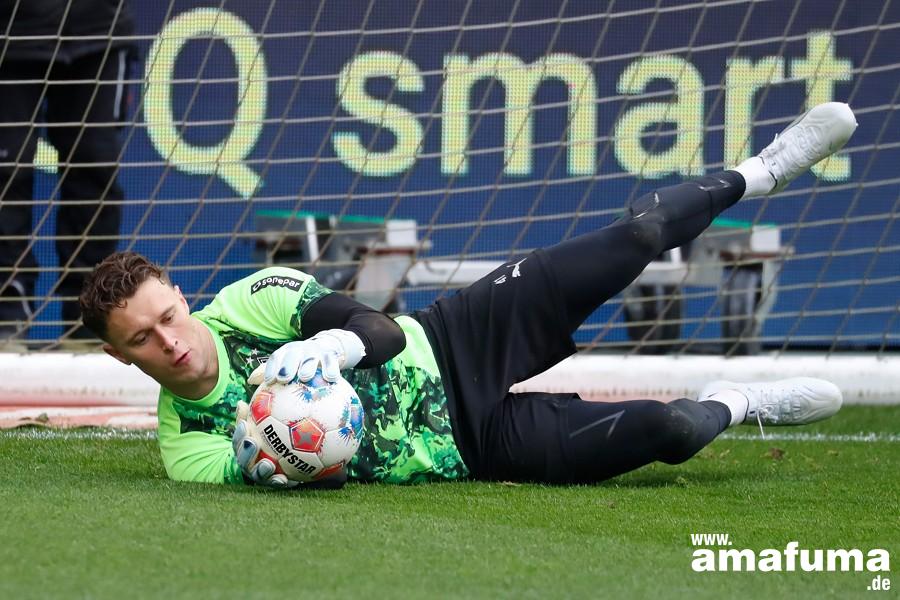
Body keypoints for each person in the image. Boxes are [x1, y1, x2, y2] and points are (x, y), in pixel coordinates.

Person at [79, 102, 856, 488]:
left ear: (181, 296)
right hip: (473, 449)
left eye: (167, 316)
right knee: (671, 430)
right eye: (143, 339)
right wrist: (273, 457)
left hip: (457, 337)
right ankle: (740, 402)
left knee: (638, 237)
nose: (170, 341)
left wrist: (327, 348)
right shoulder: (185, 446)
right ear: (119, 355)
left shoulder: (250, 300)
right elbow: (292, 475)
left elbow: (378, 331)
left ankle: (763, 169)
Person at [0, 0, 135, 348]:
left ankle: (89, 322)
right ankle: (6, 318)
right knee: (5, 174)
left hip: (98, 29)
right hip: (10, 32)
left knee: (94, 173)